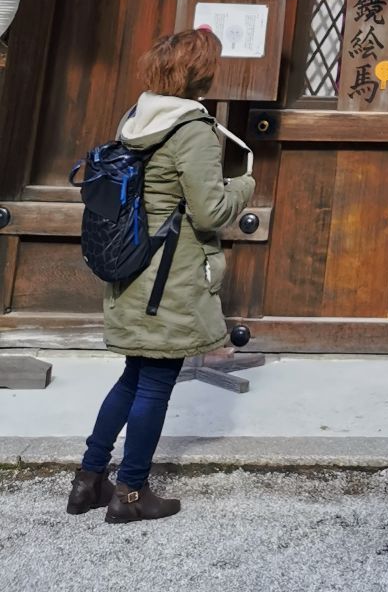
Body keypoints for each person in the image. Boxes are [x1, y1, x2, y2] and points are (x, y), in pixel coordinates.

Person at [67, 26, 255, 524]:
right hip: (166, 280)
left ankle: (88, 481)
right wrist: (245, 186)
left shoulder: (138, 116)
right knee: (154, 383)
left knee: (132, 376)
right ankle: (129, 494)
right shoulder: (192, 129)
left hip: (132, 266)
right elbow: (211, 211)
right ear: (200, 74)